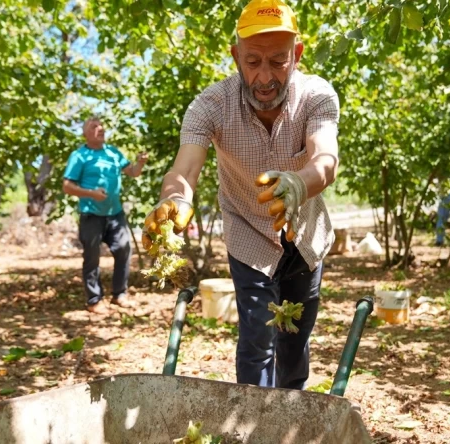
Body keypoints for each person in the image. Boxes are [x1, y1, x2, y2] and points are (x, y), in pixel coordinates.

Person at [143, 0, 340, 389]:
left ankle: (291, 408)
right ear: (235, 57)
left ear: (297, 55)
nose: (265, 77)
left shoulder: (318, 96)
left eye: (278, 61)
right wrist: (176, 200)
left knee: (295, 337)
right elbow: (184, 169)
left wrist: (298, 184)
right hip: (248, 234)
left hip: (305, 236)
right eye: (252, 61)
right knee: (256, 337)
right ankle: (252, 420)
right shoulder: (210, 106)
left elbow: (325, 160)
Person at [63, 116, 148, 313]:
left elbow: (133, 172)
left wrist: (140, 163)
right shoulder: (79, 156)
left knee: (124, 248)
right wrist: (91, 194)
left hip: (115, 213)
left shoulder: (113, 153)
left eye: (101, 125)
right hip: (91, 214)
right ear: (85, 133)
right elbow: (67, 187)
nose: (100, 129)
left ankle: (120, 294)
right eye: (94, 126)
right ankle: (94, 300)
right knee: (92, 256)